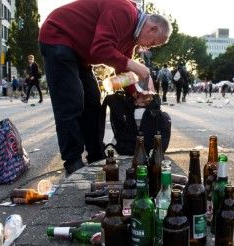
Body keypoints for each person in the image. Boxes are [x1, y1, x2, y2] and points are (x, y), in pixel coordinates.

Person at [39, 0, 172, 175]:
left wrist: (134, 95)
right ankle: (72, 161)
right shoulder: (123, 10)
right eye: (152, 43)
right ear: (152, 28)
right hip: (58, 37)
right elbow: (100, 49)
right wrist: (137, 66)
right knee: (72, 101)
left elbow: (121, 67)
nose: (147, 47)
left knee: (93, 101)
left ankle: (95, 154)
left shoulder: (132, 37)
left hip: (80, 54)